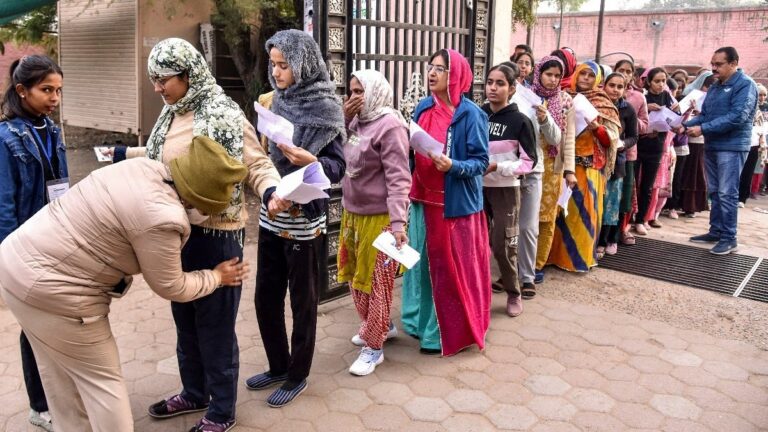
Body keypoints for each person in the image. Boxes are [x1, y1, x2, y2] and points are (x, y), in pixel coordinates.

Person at [0, 137, 250, 432]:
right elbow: (172, 286)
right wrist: (216, 277)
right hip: (58, 291)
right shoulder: (163, 218)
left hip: (15, 264)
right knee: (103, 384)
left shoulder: (145, 169)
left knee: (58, 376)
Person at [108, 38, 281, 432]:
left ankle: (222, 411)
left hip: (218, 235)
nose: (157, 88)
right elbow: (164, 158)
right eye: (154, 79)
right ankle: (194, 392)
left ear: (188, 74)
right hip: (178, 232)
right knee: (185, 319)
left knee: (215, 329)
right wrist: (122, 154)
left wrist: (271, 192)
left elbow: (255, 163)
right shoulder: (171, 114)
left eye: (163, 79)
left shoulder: (223, 112)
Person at [245, 29, 346, 407]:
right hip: (273, 215)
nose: (278, 73)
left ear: (303, 64)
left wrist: (313, 161)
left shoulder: (326, 108)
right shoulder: (276, 101)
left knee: (302, 303)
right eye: (273, 65)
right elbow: (264, 156)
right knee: (264, 298)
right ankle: (278, 364)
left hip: (304, 223)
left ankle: (298, 374)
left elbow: (338, 168)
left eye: (284, 65)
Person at [401, 48, 490, 356]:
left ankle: (442, 333)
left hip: (454, 207)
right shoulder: (423, 107)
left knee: (449, 271)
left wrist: (453, 166)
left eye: (441, 69)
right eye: (431, 66)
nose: (432, 73)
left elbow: (480, 162)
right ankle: (419, 321)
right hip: (422, 200)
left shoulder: (472, 115)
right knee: (421, 266)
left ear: (458, 77)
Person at [0, 55, 61, 432]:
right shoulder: (5, 137)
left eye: (58, 90)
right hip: (25, 246)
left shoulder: (51, 128)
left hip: (58, 240)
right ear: (22, 91)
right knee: (33, 327)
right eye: (46, 90)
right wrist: (9, 258)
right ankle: (40, 406)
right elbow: (4, 204)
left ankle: (59, 395)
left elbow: (62, 186)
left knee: (58, 321)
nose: (54, 97)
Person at [337, 69, 411, 376]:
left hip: (379, 218)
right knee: (356, 277)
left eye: (359, 92)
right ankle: (382, 325)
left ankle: (374, 347)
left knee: (376, 284)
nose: (354, 97)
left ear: (375, 92)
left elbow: (398, 178)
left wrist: (398, 224)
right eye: (351, 91)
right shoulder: (355, 120)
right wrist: (341, 117)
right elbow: (337, 151)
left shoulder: (390, 125)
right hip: (352, 213)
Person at [683, 46, 758, 255]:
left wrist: (703, 128)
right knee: (715, 192)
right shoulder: (716, 86)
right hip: (713, 145)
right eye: (712, 64)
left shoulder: (745, 85)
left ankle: (729, 238)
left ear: (734, 64)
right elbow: (706, 115)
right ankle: (716, 231)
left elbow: (737, 117)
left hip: (732, 147)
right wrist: (686, 125)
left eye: (719, 64)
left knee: (727, 193)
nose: (713, 68)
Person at [548, 62, 620, 272]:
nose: (586, 78)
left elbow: (612, 140)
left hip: (588, 168)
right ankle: (551, 256)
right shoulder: (562, 96)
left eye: (591, 75)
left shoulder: (603, 103)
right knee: (559, 213)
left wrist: (597, 128)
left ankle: (576, 260)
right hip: (562, 164)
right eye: (583, 74)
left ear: (597, 80)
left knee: (582, 217)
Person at [482, 63, 536, 316]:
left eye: (500, 83)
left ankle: (514, 293)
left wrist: (498, 167)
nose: (493, 88)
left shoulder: (520, 121)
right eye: (490, 82)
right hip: (475, 190)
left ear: (512, 88)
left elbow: (528, 162)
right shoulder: (477, 115)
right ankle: (479, 294)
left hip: (505, 190)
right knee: (477, 244)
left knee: (504, 244)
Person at [531, 55, 576, 285]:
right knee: (525, 216)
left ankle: (538, 264)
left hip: (553, 167)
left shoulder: (566, 101)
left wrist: (570, 170)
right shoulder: (526, 96)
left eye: (557, 76)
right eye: (548, 74)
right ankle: (522, 262)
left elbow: (568, 140)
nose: (552, 79)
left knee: (546, 218)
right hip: (527, 164)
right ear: (538, 73)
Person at [598, 72, 637, 257]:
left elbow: (633, 136)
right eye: (611, 85)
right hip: (595, 160)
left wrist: (622, 144)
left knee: (611, 205)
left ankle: (608, 240)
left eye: (619, 87)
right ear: (604, 85)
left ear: (625, 89)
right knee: (596, 203)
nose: (615, 90)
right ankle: (595, 241)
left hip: (617, 162)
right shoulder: (596, 104)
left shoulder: (627, 109)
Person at [613, 59, 650, 246]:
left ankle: (622, 229)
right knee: (609, 194)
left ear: (633, 75)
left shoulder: (638, 97)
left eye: (628, 71)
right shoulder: (607, 93)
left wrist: (629, 119)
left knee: (625, 195)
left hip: (628, 152)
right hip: (607, 152)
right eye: (621, 70)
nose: (625, 74)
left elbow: (645, 125)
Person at [634, 67, 674, 235]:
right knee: (633, 184)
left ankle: (641, 220)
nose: (661, 84)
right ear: (648, 81)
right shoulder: (641, 97)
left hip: (657, 146)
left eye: (663, 81)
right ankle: (628, 218)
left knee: (648, 186)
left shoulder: (667, 97)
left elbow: (674, 119)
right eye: (657, 81)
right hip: (638, 145)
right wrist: (647, 108)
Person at [679, 72, 715, 217]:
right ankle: (677, 203)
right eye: (708, 86)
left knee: (696, 173)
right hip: (685, 140)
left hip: (701, 141)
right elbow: (679, 115)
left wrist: (701, 113)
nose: (708, 90)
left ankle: (691, 206)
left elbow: (711, 120)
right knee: (684, 172)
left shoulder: (715, 99)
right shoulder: (690, 96)